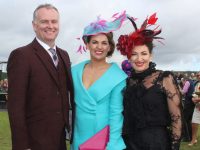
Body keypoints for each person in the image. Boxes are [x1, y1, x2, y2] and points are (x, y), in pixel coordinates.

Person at [7, 4, 74, 150]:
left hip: (60, 140)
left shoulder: (64, 55)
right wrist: (22, 146)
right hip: (34, 142)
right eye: (44, 21)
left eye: (54, 21)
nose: (50, 26)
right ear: (34, 25)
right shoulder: (21, 55)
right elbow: (15, 107)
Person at [117, 13, 182, 150]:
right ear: (128, 57)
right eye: (134, 54)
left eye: (144, 53)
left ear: (150, 55)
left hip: (157, 144)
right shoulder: (127, 83)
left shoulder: (164, 78)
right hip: (130, 143)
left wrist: (175, 146)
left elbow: (176, 117)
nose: (139, 59)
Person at [71, 12, 127, 150]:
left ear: (109, 47)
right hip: (78, 136)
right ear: (87, 44)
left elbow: (116, 114)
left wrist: (112, 145)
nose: (99, 47)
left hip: (102, 139)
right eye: (95, 42)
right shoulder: (74, 71)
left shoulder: (117, 77)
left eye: (104, 43)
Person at [188, 72, 200, 146]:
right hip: (197, 107)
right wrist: (193, 99)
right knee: (194, 123)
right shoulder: (196, 84)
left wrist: (198, 100)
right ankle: (193, 140)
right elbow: (194, 94)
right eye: (198, 75)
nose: (198, 76)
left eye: (199, 75)